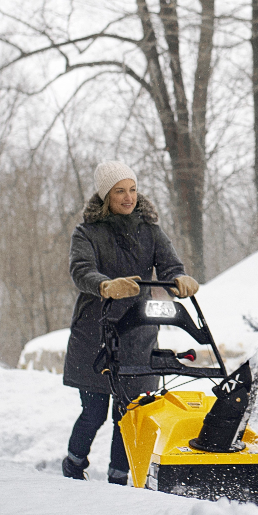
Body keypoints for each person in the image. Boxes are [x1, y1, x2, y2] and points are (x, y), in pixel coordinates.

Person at [61, 160, 200, 483]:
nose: (128, 197)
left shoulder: (150, 231)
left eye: (133, 189)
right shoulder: (87, 233)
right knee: (94, 411)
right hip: (96, 333)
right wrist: (105, 285)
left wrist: (179, 278)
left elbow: (169, 264)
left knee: (130, 413)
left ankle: (120, 478)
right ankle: (73, 463)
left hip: (138, 333)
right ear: (105, 196)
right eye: (120, 191)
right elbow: (81, 270)